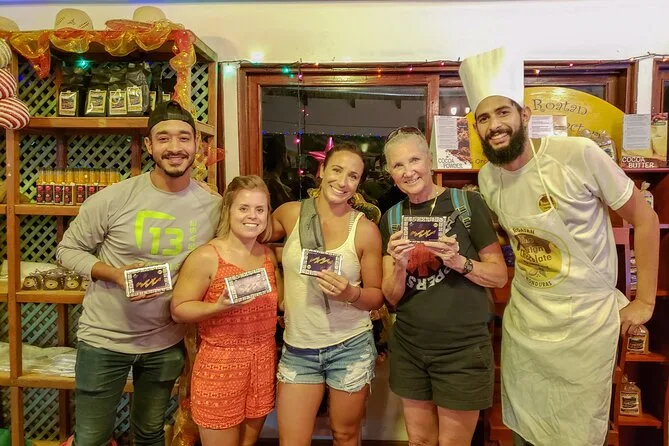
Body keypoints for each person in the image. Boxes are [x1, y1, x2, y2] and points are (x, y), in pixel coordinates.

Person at [459, 47, 660, 446]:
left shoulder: (579, 155)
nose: (495, 125)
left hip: (585, 327)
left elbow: (646, 219)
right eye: (484, 118)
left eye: (503, 112)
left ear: (525, 115)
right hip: (527, 326)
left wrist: (645, 301)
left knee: (576, 434)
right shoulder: (488, 179)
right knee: (524, 430)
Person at [56, 100, 222, 446]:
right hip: (104, 340)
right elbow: (67, 251)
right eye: (163, 138)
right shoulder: (114, 198)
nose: (174, 147)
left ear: (197, 145)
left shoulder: (213, 205)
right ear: (149, 145)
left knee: (149, 435)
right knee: (91, 438)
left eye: (184, 138)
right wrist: (115, 274)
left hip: (166, 342)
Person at [380, 126, 508, 446]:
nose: (408, 171)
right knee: (419, 441)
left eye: (414, 160)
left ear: (430, 160)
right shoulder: (392, 218)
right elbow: (391, 297)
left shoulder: (467, 204)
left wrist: (458, 261)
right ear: (390, 173)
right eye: (398, 165)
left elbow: (499, 276)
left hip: (462, 350)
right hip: (410, 348)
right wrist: (398, 264)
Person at [271, 142, 384, 446]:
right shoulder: (290, 214)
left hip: (350, 346)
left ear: (359, 183)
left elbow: (376, 296)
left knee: (345, 434)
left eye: (353, 176)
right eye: (336, 170)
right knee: (292, 440)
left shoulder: (365, 230)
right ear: (321, 170)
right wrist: (279, 286)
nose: (342, 181)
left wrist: (350, 293)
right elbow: (250, 243)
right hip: (299, 348)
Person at [170, 175, 282, 446]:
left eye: (260, 209)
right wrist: (217, 307)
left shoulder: (267, 256)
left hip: (262, 363)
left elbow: (279, 305)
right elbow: (179, 309)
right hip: (220, 367)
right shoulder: (207, 256)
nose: (252, 216)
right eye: (243, 208)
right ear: (228, 210)